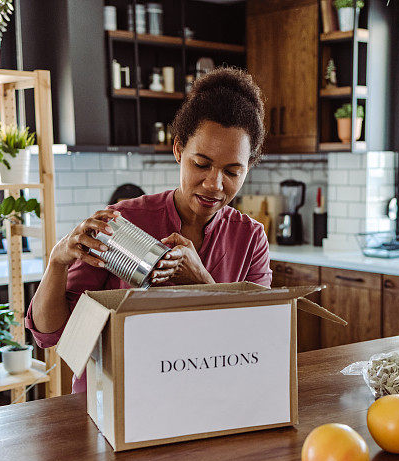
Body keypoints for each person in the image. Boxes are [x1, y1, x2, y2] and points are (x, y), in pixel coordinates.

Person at [26, 67, 272, 393]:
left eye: (232, 171)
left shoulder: (250, 239)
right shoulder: (121, 221)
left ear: (248, 168)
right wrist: (57, 262)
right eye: (201, 164)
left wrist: (201, 283)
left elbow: (257, 345)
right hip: (110, 403)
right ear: (178, 150)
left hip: (201, 399)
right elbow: (51, 334)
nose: (214, 184)